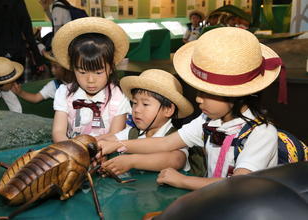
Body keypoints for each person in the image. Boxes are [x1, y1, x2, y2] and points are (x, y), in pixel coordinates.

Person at [99, 27, 287, 190]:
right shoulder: (207, 121)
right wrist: (118, 144)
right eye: (199, 91)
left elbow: (239, 186)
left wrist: (184, 181)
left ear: (234, 95)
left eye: (207, 93)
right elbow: (165, 143)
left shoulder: (261, 133)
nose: (198, 98)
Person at [51, 17, 131, 143]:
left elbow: (116, 134)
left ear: (111, 68)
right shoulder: (64, 94)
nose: (90, 80)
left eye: (98, 72)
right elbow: (58, 132)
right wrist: (73, 148)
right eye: (82, 72)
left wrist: (89, 145)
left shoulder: (119, 97)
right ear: (72, 68)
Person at [100, 69, 194, 175]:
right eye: (135, 103)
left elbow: (176, 160)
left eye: (145, 104)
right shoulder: (132, 133)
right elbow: (107, 141)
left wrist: (132, 161)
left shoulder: (177, 137)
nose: (136, 110)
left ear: (168, 110)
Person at [0, 0, 45, 76]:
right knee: (17, 84)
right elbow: (28, 31)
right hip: (16, 55)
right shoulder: (17, 2)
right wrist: (38, 58)